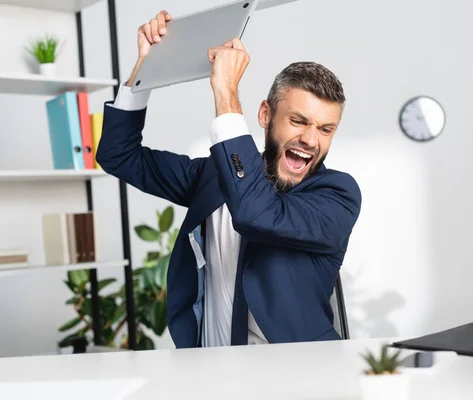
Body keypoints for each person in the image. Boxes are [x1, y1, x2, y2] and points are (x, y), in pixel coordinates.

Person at [96, 10, 362, 348]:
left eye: (325, 129)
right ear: (266, 115)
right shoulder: (215, 175)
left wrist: (225, 93)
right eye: (298, 121)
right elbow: (119, 155)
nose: (311, 140)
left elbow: (256, 213)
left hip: (296, 376)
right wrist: (148, 70)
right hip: (210, 371)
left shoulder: (337, 195)